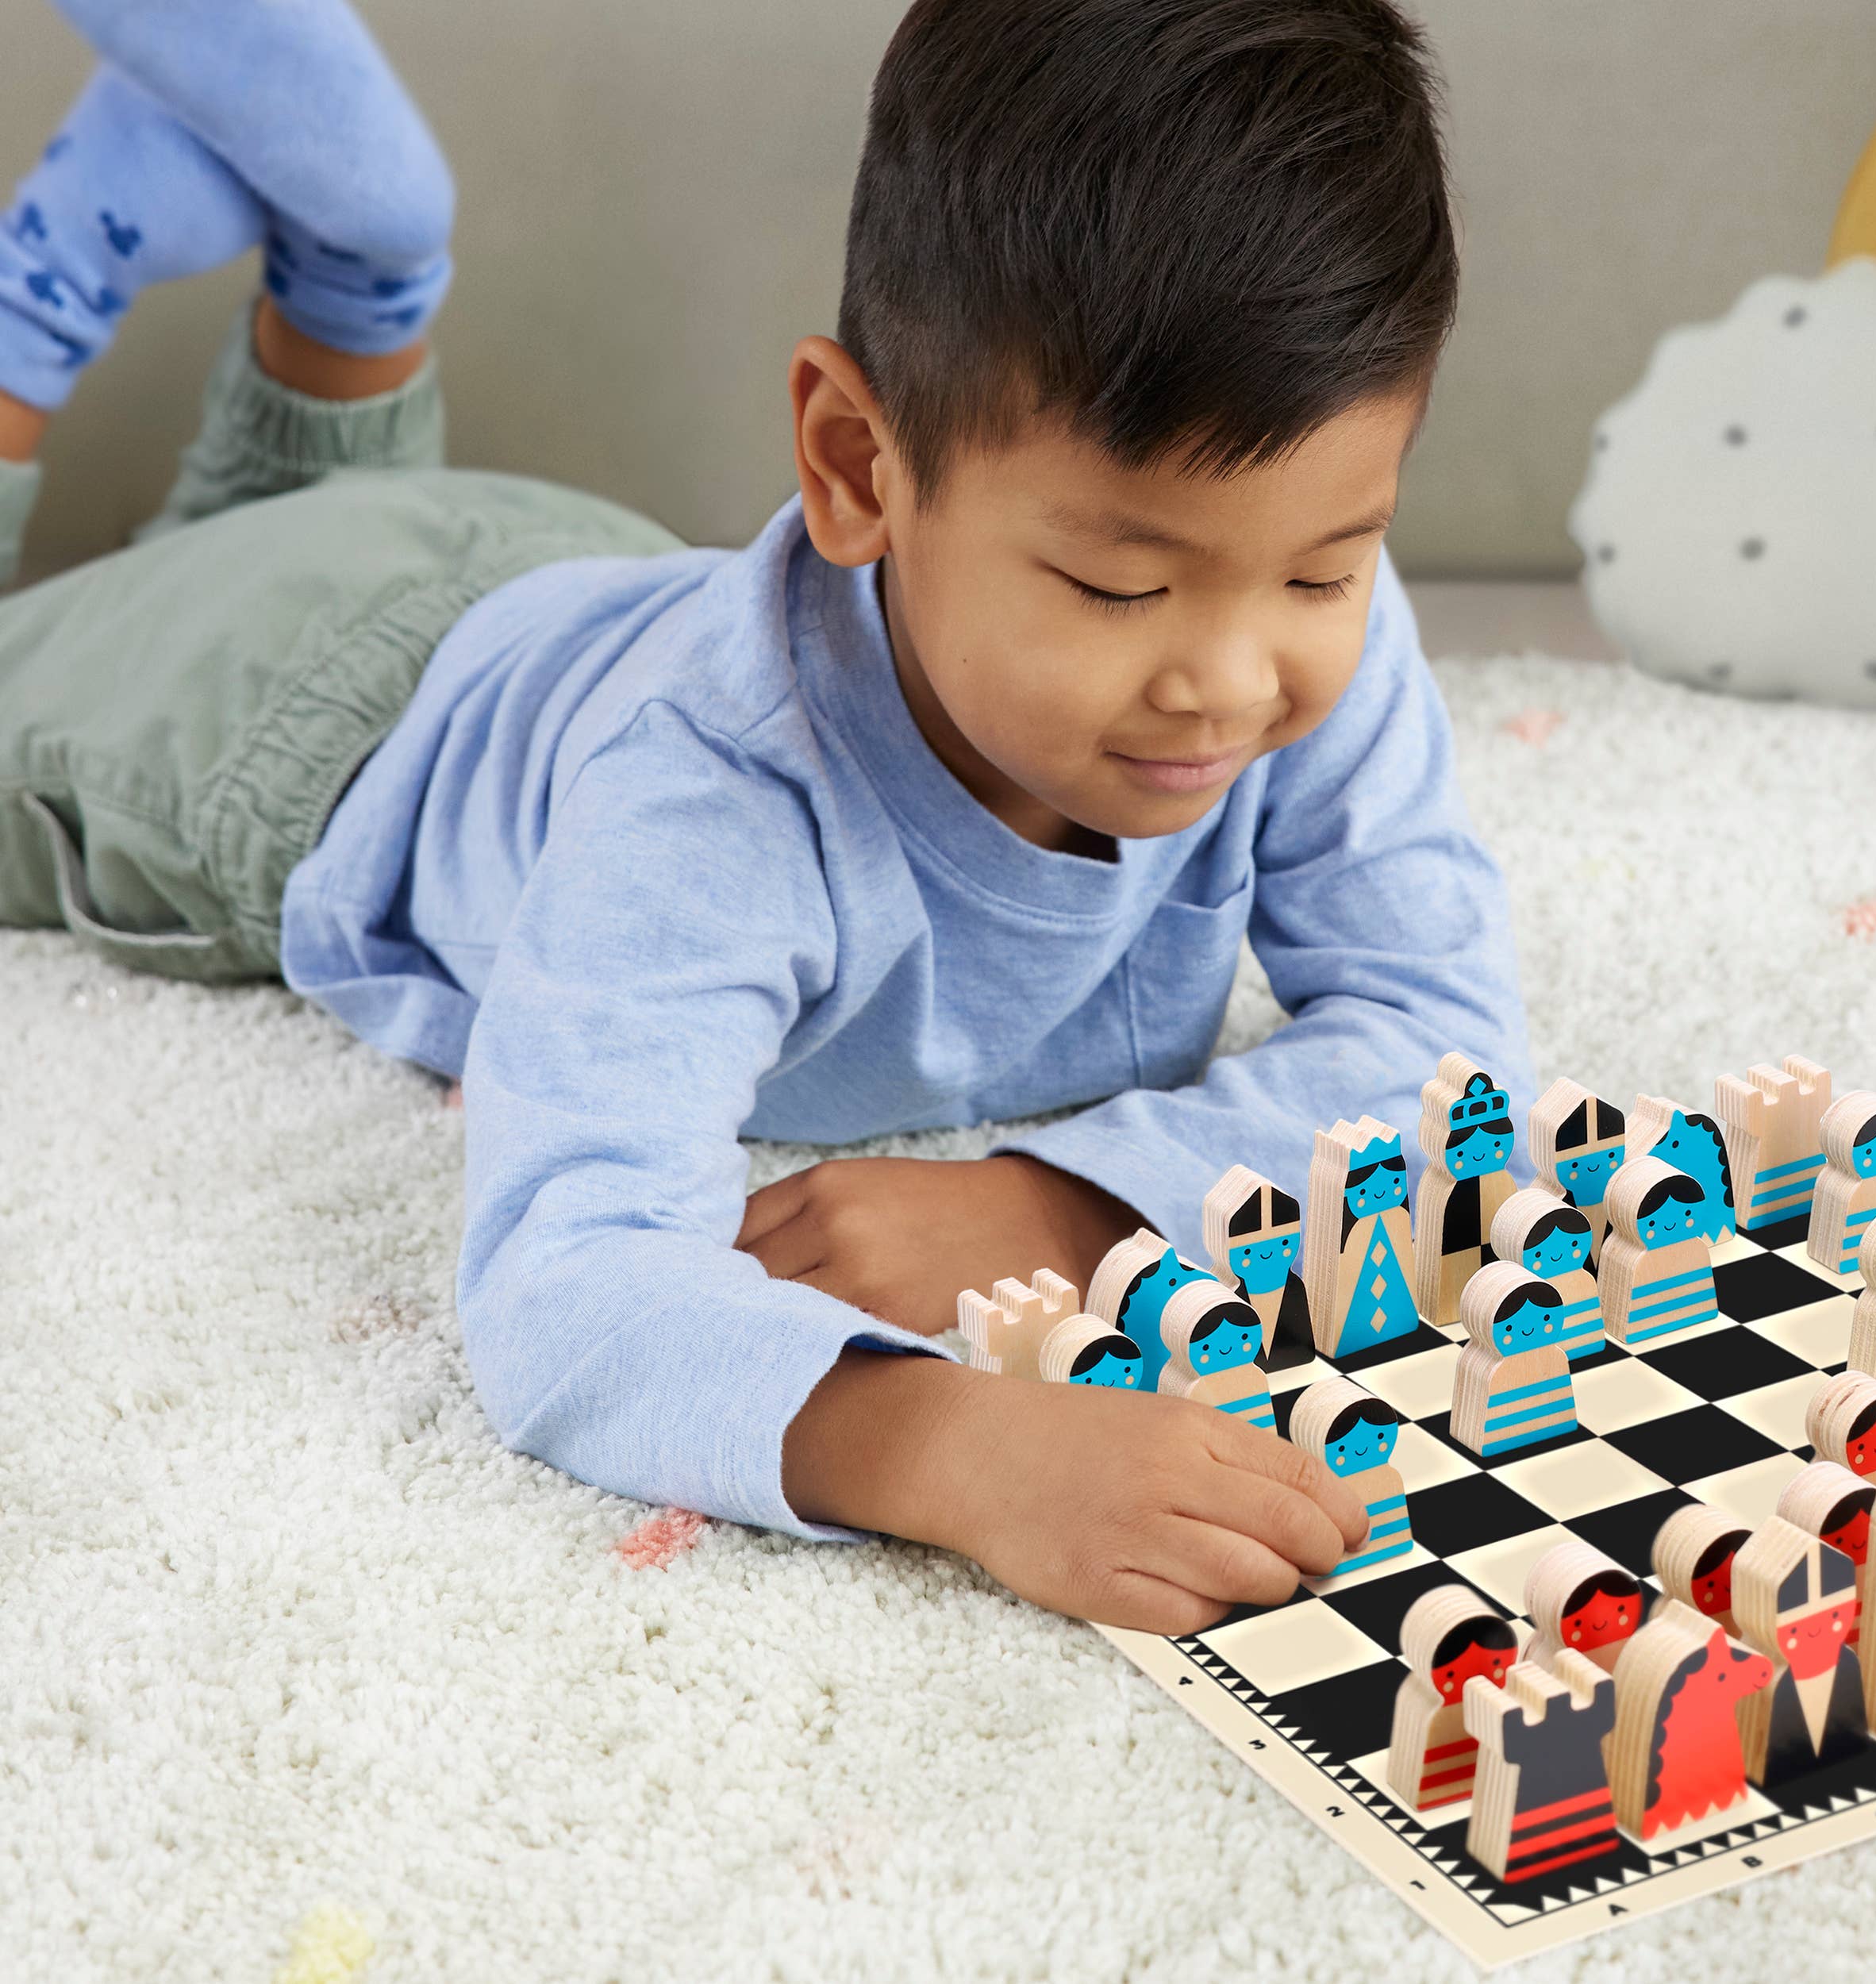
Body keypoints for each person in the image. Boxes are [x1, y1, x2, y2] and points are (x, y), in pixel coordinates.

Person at [0, 0, 1530, 1633]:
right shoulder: (711, 802)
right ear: (856, 467)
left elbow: (1447, 1050)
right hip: (289, 725)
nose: (1231, 681)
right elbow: (566, 1282)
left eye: (1327, 567)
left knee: (336, 526)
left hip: (564, 577)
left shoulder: (1290, 632)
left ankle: (357, 269)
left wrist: (1058, 1200)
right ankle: (54, 296)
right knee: (199, 590)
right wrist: (958, 1445)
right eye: (1117, 584)